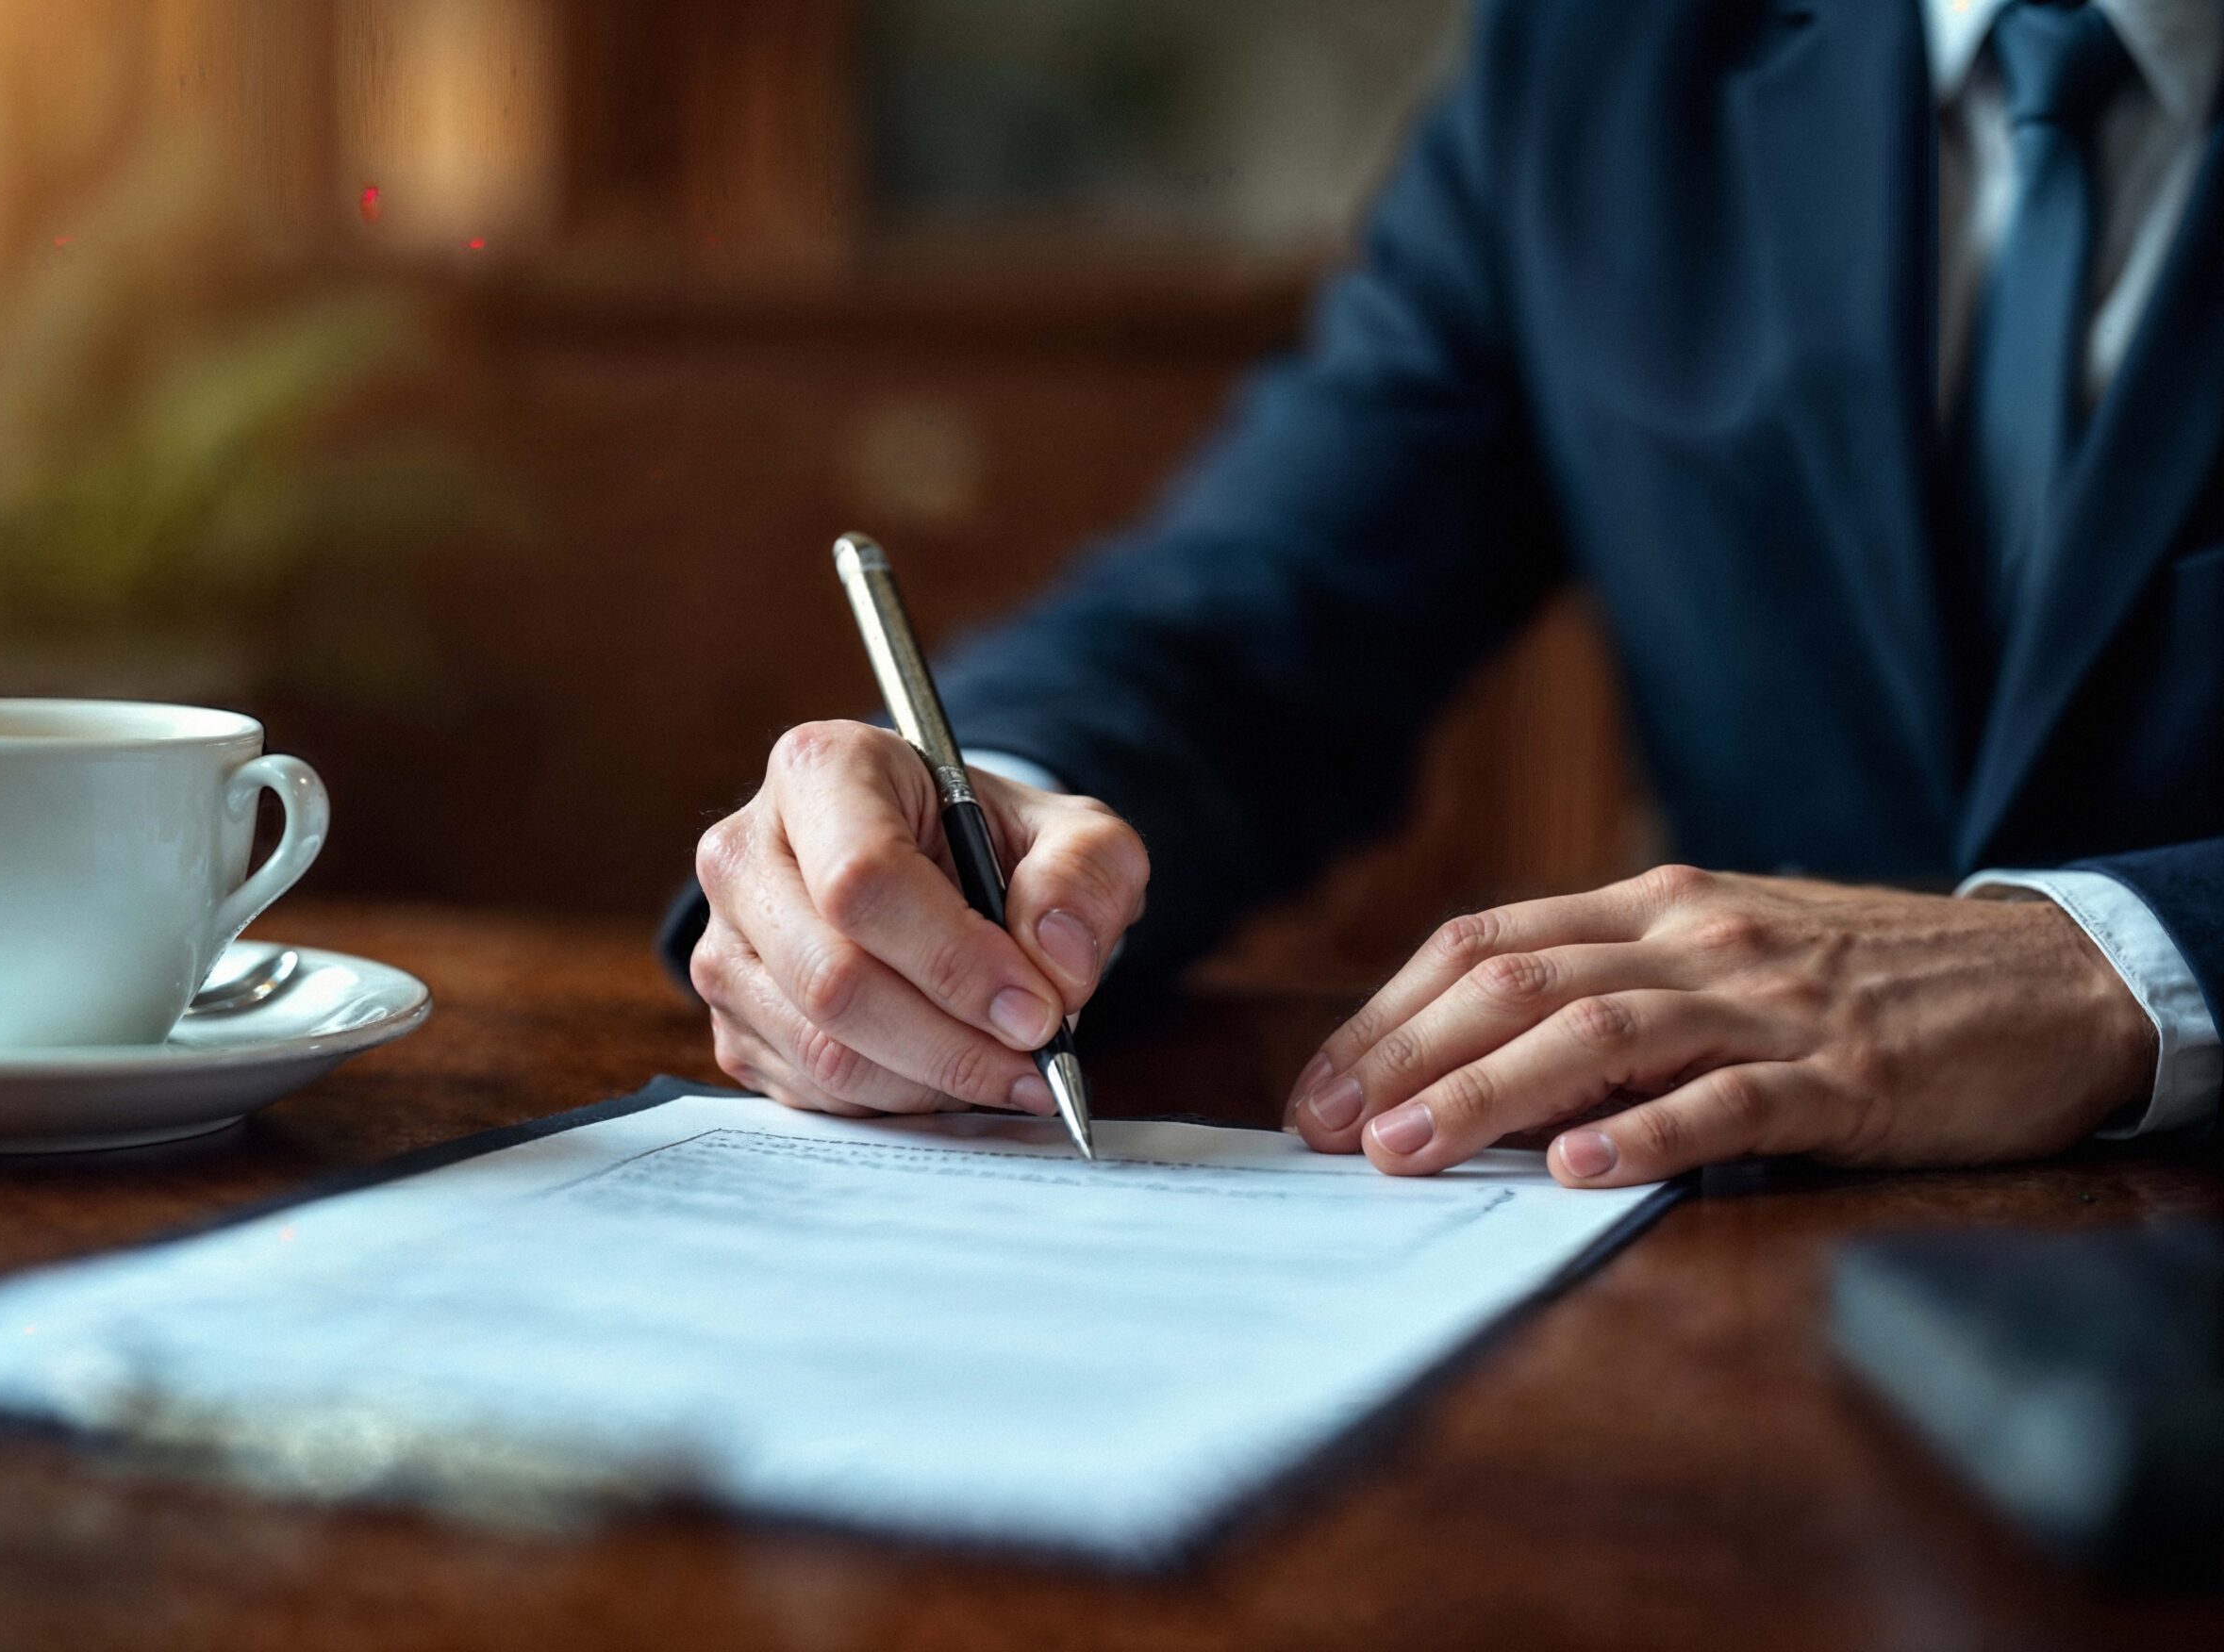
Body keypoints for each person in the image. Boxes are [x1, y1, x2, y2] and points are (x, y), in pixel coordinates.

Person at [666, 0, 2224, 1188]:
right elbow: (1257, 613)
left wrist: (2119, 961)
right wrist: (975, 828)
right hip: (1739, 1268)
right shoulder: (1603, 59)